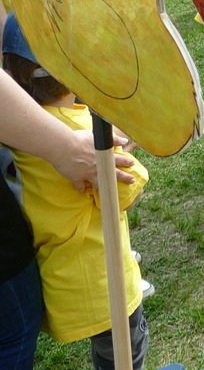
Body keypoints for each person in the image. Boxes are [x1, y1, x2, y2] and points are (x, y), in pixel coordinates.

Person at [5, 24, 150, 370]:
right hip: (104, 279)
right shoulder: (82, 134)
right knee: (125, 350)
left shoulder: (20, 135)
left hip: (61, 278)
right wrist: (128, 141)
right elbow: (128, 189)